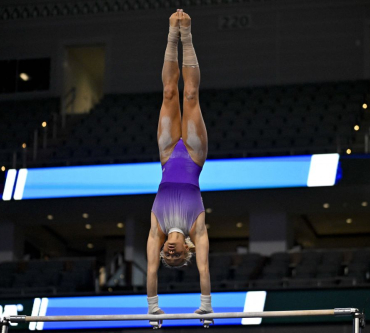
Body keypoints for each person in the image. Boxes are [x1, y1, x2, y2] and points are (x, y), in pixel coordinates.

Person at [146, 9, 212, 316]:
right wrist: (206, 306)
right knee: (191, 95)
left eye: (166, 258)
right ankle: (187, 33)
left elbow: (150, 271)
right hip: (194, 159)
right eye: (177, 259)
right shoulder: (197, 229)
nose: (170, 255)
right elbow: (203, 271)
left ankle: (172, 33)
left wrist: (153, 308)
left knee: (170, 92)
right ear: (189, 249)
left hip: (167, 156)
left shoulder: (156, 229)